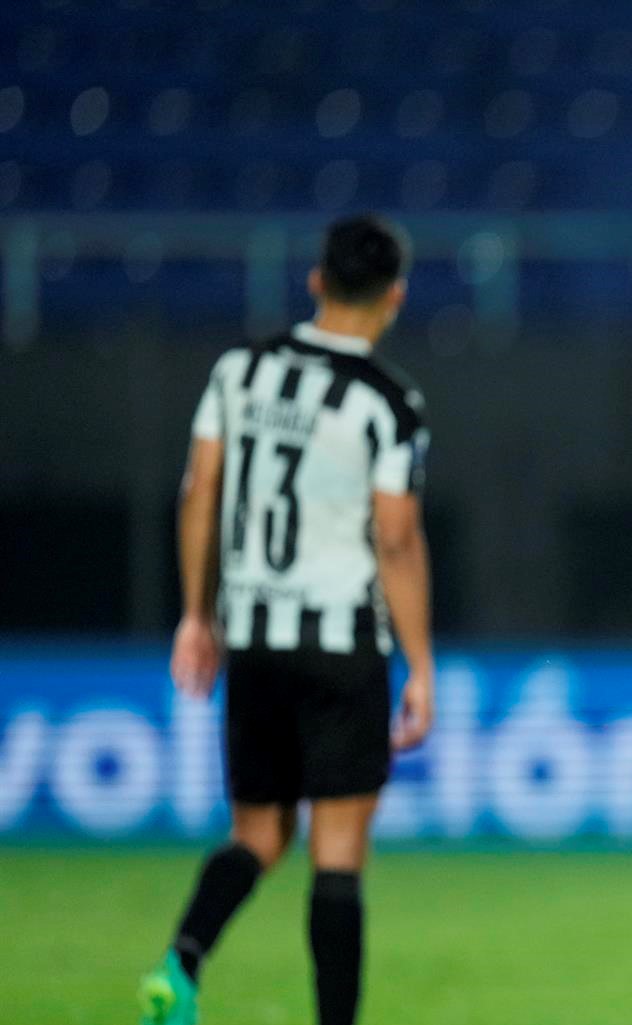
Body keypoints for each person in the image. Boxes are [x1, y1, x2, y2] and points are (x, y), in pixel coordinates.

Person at [139, 213, 434, 1025]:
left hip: (255, 636)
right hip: (340, 641)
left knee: (258, 834)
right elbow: (397, 538)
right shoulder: (389, 403)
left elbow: (199, 490)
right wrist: (421, 665)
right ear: (395, 296)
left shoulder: (240, 370)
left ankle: (181, 960)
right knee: (336, 854)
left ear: (314, 281)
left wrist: (197, 614)